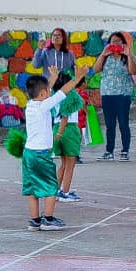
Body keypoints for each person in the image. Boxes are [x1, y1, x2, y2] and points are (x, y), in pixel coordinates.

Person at [22, 62, 89, 230]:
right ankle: (48, 219)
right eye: (47, 90)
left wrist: (52, 78)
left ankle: (35, 220)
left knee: (31, 188)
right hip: (42, 155)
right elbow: (63, 92)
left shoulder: (30, 105)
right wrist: (77, 78)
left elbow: (47, 92)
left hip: (28, 154)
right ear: (44, 93)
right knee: (51, 186)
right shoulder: (44, 106)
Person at [94, 31, 136, 162]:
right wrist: (103, 54)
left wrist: (128, 54)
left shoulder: (128, 55)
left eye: (118, 41)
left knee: (123, 123)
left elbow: (133, 71)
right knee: (109, 124)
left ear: (123, 43)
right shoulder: (106, 56)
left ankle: (125, 151)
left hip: (123, 93)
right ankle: (109, 151)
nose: (115, 44)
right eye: (113, 42)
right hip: (107, 94)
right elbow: (96, 69)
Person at [53, 71, 85, 203]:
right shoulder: (70, 95)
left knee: (64, 163)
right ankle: (65, 193)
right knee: (70, 164)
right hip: (69, 129)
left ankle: (55, 191)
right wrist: (61, 133)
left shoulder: (55, 95)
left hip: (57, 128)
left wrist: (58, 133)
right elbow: (65, 115)